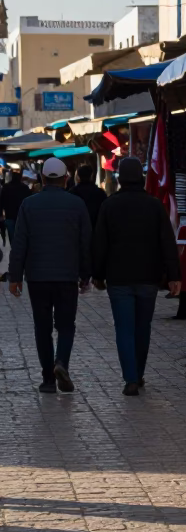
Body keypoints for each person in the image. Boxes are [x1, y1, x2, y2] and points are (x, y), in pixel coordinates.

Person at [92, 158, 182, 396]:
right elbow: (167, 242)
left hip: (118, 278)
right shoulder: (154, 206)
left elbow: (100, 244)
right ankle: (138, 373)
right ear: (141, 178)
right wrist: (174, 275)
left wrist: (97, 275)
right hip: (148, 278)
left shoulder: (110, 205)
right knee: (143, 327)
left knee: (124, 328)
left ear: (120, 178)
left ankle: (130, 378)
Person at [7, 157, 92, 394]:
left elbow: (19, 244)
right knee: (66, 325)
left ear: (43, 178)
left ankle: (47, 379)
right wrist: (86, 275)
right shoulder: (77, 205)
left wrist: (15, 277)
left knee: (42, 327)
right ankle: (61, 362)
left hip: (38, 278)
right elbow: (85, 243)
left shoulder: (29, 204)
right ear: (66, 179)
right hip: (66, 277)